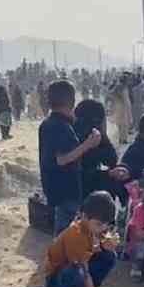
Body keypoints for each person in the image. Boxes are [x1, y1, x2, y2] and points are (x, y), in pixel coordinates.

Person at [39, 80, 102, 236]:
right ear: (72, 101)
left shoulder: (48, 124)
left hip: (55, 188)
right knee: (66, 235)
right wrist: (88, 144)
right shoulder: (60, 126)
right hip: (65, 189)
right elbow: (62, 159)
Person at [45, 191, 118, 287]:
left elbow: (100, 242)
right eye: (99, 224)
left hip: (74, 269)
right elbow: (84, 271)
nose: (103, 228)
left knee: (109, 256)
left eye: (107, 224)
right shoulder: (75, 234)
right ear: (84, 216)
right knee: (77, 271)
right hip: (57, 279)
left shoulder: (92, 227)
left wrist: (106, 244)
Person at [73, 99, 130, 202]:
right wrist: (108, 174)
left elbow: (111, 159)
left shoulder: (89, 134)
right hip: (79, 193)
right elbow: (81, 176)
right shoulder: (79, 137)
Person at [108, 75, 132, 145]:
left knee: (120, 124)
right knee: (124, 124)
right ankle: (123, 139)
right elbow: (125, 99)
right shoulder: (123, 88)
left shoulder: (117, 87)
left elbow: (111, 94)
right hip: (122, 107)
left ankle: (121, 138)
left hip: (118, 107)